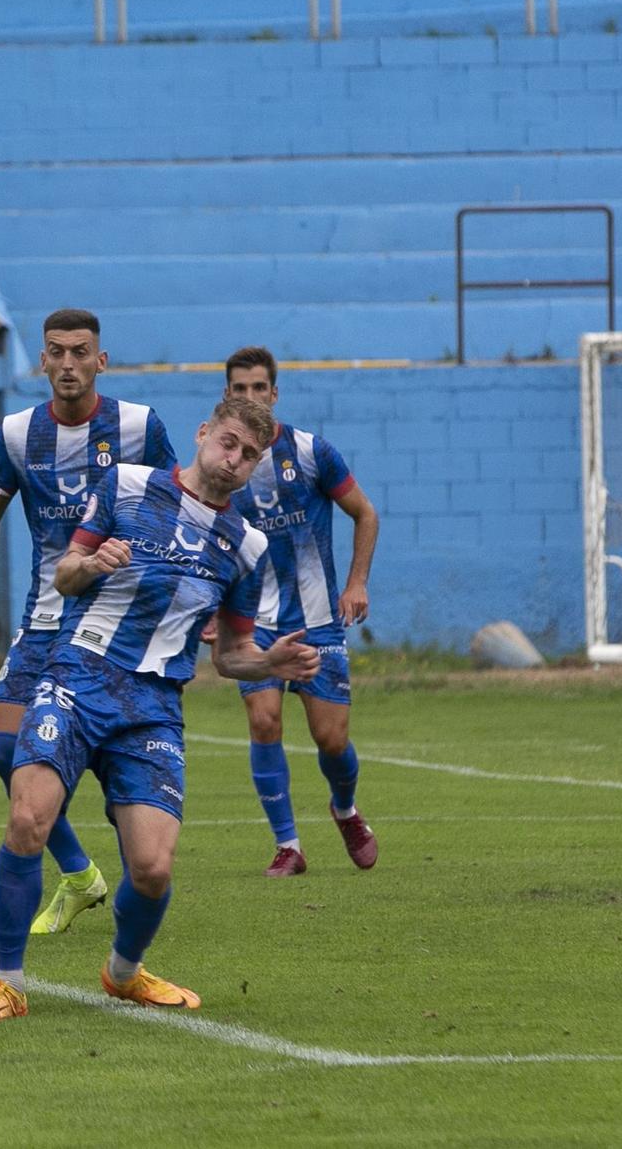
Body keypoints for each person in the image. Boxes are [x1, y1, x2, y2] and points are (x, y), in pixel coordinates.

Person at [0, 398, 321, 1023]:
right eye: (229, 443)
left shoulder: (247, 545)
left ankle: (124, 973)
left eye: (249, 457)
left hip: (153, 707)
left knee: (153, 869)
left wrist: (269, 664)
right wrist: (90, 561)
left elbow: (232, 654)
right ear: (204, 433)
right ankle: (9, 984)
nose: (234, 461)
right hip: (77, 675)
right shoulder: (128, 484)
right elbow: (66, 575)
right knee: (28, 820)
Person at [0, 307, 178, 937]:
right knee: (6, 748)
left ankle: (127, 853)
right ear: (42, 361)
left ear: (100, 361)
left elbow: (178, 507)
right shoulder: (19, 433)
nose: (67, 364)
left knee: (111, 759)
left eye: (80, 352)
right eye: (55, 352)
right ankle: (81, 874)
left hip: (118, 624)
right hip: (47, 615)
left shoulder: (139, 427)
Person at [221, 346, 382, 877]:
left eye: (258, 388)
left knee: (330, 738)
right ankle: (288, 846)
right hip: (254, 619)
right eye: (239, 389)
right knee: (264, 721)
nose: (250, 397)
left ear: (274, 393)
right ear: (228, 394)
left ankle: (345, 809)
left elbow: (364, 514)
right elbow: (206, 540)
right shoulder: (219, 464)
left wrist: (356, 582)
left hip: (317, 621)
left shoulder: (312, 453)